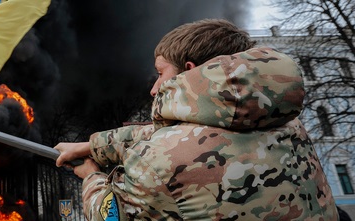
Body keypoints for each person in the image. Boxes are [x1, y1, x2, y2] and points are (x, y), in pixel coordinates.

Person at [54, 19, 338, 220]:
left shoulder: (161, 161)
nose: (154, 88)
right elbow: (183, 137)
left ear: (187, 70)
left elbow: (110, 215)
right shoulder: (290, 126)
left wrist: (91, 174)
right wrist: (93, 145)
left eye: (161, 73)